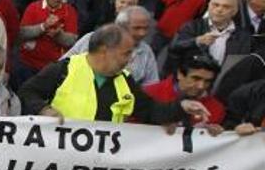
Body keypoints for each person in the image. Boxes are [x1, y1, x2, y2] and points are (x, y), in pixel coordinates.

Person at [19, 24, 212, 124]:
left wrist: (182, 107)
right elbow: (27, 92)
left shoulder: (125, 81)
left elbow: (151, 111)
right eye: (126, 53)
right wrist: (44, 110)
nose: (130, 59)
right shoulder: (64, 69)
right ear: (105, 50)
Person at [63, 6, 159, 85]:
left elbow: (152, 85)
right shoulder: (92, 39)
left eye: (145, 28)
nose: (142, 33)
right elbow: (64, 64)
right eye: (137, 28)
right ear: (121, 26)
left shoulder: (146, 51)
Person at [167, 0, 252, 73]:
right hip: (193, 79)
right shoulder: (192, 26)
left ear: (234, 11)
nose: (219, 10)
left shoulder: (243, 36)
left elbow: (243, 64)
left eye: (226, 7)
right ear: (209, 6)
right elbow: (173, 47)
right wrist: (197, 41)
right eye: (215, 5)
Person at [16, 0, 78, 87]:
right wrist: (43, 27)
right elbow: (22, 33)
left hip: (53, 68)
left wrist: (58, 35)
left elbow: (72, 40)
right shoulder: (33, 7)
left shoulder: (70, 11)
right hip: (28, 64)